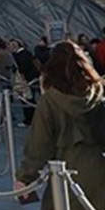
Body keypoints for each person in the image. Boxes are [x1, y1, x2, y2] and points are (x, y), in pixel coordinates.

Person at [14, 40, 105, 209]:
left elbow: (39, 145)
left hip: (66, 172)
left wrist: (25, 177)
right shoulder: (98, 93)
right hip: (100, 168)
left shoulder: (50, 100)